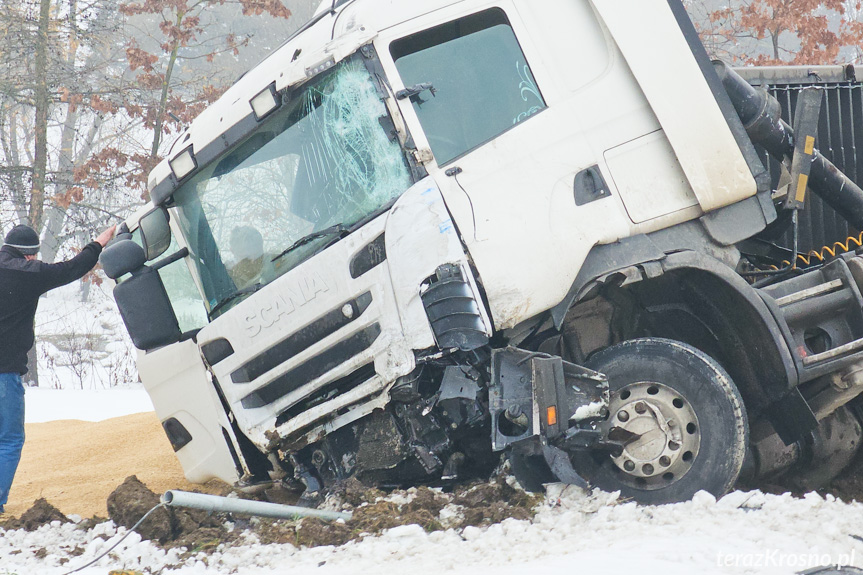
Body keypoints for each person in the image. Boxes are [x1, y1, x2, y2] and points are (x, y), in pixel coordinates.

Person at [0, 222, 115, 514]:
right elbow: (72, 268)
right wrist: (98, 243)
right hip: (4, 373)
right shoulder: (27, 274)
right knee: (9, 440)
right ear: (30, 255)